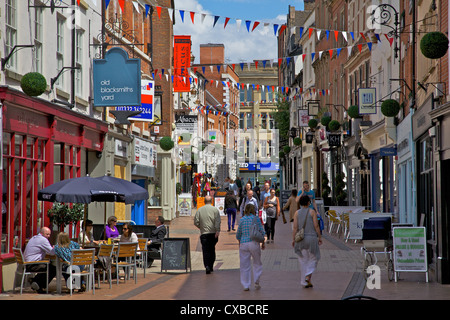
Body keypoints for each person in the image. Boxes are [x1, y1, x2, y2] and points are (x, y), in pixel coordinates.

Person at [292, 195, 323, 288]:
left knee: (303, 260)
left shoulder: (297, 213)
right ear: (309, 202)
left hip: (301, 239)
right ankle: (308, 274)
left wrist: (293, 239)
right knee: (314, 257)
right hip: (312, 238)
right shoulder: (312, 212)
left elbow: (295, 228)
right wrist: (320, 237)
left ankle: (304, 281)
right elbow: (316, 226)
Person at [236, 204, 265, 291]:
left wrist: (239, 242)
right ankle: (256, 281)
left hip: (244, 244)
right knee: (257, 263)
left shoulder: (242, 220)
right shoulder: (256, 219)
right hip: (254, 243)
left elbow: (238, 234)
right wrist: (263, 242)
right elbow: (262, 232)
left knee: (245, 265)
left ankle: (246, 285)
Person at [24, 227, 56, 293]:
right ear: (41, 233)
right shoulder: (43, 240)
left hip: (26, 264)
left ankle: (35, 281)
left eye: (49, 234)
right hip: (32, 265)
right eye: (47, 234)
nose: (49, 236)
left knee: (49, 266)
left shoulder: (34, 237)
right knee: (53, 268)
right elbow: (52, 252)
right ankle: (38, 285)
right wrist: (54, 248)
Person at [194, 195, 221, 274]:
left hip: (204, 233)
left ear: (204, 201)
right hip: (213, 233)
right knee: (212, 249)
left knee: (205, 250)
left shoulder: (199, 210)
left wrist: (201, 227)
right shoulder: (215, 210)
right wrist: (217, 230)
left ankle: (207, 266)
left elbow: (196, 222)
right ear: (212, 201)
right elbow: (217, 221)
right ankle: (211, 265)